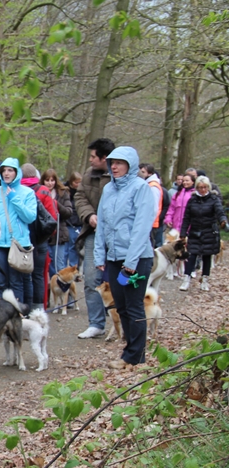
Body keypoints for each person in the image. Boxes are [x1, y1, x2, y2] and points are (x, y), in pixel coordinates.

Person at [94, 146, 156, 369]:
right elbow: (102, 224)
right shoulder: (109, 189)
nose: (115, 167)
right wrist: (100, 254)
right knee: (120, 305)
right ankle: (130, 351)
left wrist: (131, 262)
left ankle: (136, 357)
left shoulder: (141, 188)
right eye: (112, 163)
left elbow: (141, 227)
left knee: (134, 306)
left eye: (119, 163)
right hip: (114, 257)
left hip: (137, 259)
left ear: (130, 165)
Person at [74, 137, 115, 339]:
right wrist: (89, 215)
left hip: (118, 236)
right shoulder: (88, 175)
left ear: (104, 158)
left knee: (121, 279)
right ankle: (96, 323)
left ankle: (123, 321)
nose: (90, 160)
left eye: (93, 156)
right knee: (91, 277)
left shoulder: (121, 176)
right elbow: (79, 198)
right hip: (92, 234)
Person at [0, 159, 37, 303]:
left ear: (17, 173)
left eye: (10, 170)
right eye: (4, 170)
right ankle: (1, 319)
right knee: (0, 283)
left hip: (18, 244)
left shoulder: (27, 193)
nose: (6, 173)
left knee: (16, 283)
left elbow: (30, 217)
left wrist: (14, 198)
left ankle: (17, 317)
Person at [178, 176, 227, 292]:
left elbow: (220, 212)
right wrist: (183, 233)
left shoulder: (214, 199)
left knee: (206, 256)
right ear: (197, 188)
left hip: (209, 231)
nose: (203, 190)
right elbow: (186, 218)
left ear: (208, 187)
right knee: (191, 255)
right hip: (195, 231)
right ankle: (186, 279)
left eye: (205, 187)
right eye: (200, 187)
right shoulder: (192, 200)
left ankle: (205, 279)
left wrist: (223, 221)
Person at [22, 162, 57, 309]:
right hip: (41, 241)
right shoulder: (43, 190)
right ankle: (39, 308)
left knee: (23, 275)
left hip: (22, 240)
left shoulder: (18, 190)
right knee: (38, 275)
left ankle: (25, 306)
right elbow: (51, 217)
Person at [42, 169, 72, 277]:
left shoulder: (62, 193)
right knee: (46, 268)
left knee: (59, 267)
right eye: (47, 180)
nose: (50, 183)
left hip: (59, 235)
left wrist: (55, 204)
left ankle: (63, 291)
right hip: (45, 235)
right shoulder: (40, 192)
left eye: (52, 180)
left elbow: (68, 212)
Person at [64, 172, 83, 270]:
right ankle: (65, 268)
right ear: (71, 182)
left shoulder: (81, 191)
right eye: (76, 182)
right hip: (69, 223)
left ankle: (74, 268)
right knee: (67, 248)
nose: (78, 185)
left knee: (75, 247)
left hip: (78, 223)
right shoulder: (65, 191)